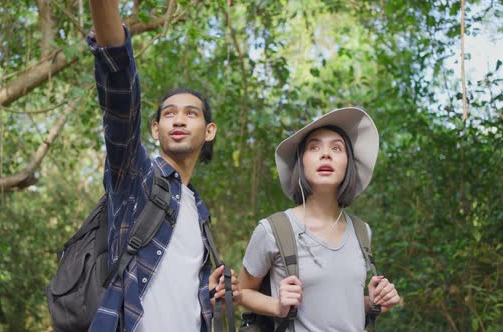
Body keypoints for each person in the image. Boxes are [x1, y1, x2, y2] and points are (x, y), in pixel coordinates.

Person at [87, 1, 239, 331]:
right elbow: (119, 94)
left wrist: (211, 293)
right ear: (155, 129)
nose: (179, 120)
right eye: (169, 114)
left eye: (191, 113)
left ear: (209, 131)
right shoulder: (137, 177)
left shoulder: (200, 213)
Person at [239, 107, 400, 331]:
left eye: (337, 148)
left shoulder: (362, 231)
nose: (326, 154)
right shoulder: (273, 230)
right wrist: (277, 306)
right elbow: (240, 292)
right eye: (314, 147)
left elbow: (339, 307)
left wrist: (373, 303)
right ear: (301, 163)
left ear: (348, 164)